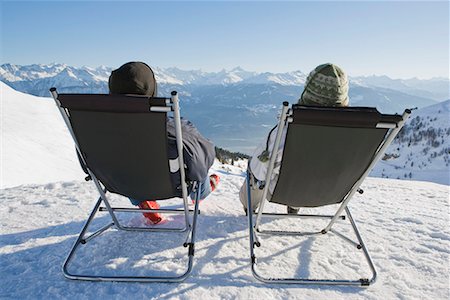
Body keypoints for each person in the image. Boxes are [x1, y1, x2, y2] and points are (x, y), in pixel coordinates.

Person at [109, 62, 219, 224]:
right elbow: (203, 154)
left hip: (125, 182)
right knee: (198, 162)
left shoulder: (99, 129)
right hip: (173, 185)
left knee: (128, 168)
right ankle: (199, 194)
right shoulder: (172, 128)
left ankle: (142, 200)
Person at [239, 63, 350, 214]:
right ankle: (295, 207)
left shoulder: (287, 131)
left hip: (285, 191)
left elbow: (260, 170)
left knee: (255, 169)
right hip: (331, 192)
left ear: (308, 92)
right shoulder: (355, 132)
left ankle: (250, 207)